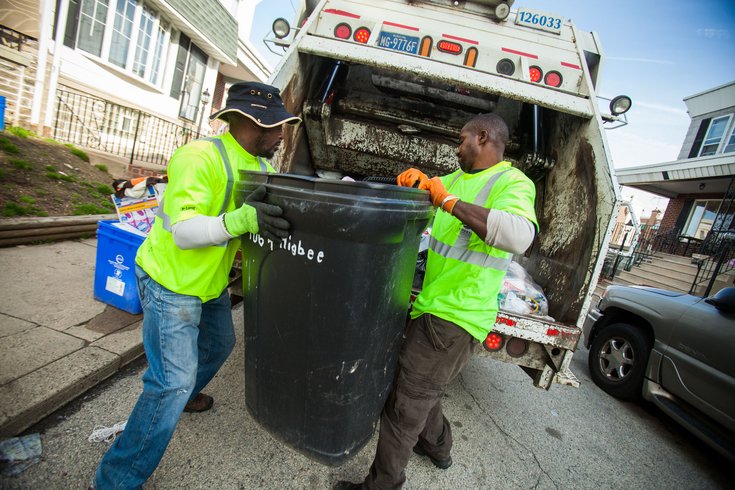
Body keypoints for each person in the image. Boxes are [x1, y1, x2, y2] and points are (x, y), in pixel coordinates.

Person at [91, 81, 301, 489]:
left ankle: (181, 397)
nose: (280, 135)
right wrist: (243, 220)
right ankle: (114, 480)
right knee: (171, 381)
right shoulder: (198, 157)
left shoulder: (264, 169)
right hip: (171, 283)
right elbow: (186, 232)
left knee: (220, 345)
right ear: (246, 121)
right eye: (275, 126)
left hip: (208, 285)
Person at [336, 113, 538, 490]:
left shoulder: (513, 183)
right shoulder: (459, 179)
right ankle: (438, 446)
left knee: (404, 404)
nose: (457, 147)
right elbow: (430, 187)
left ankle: (382, 485)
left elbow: (517, 235)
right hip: (435, 306)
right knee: (422, 387)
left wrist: (448, 202)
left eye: (462, 139)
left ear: (483, 137)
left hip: (457, 315)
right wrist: (418, 181)